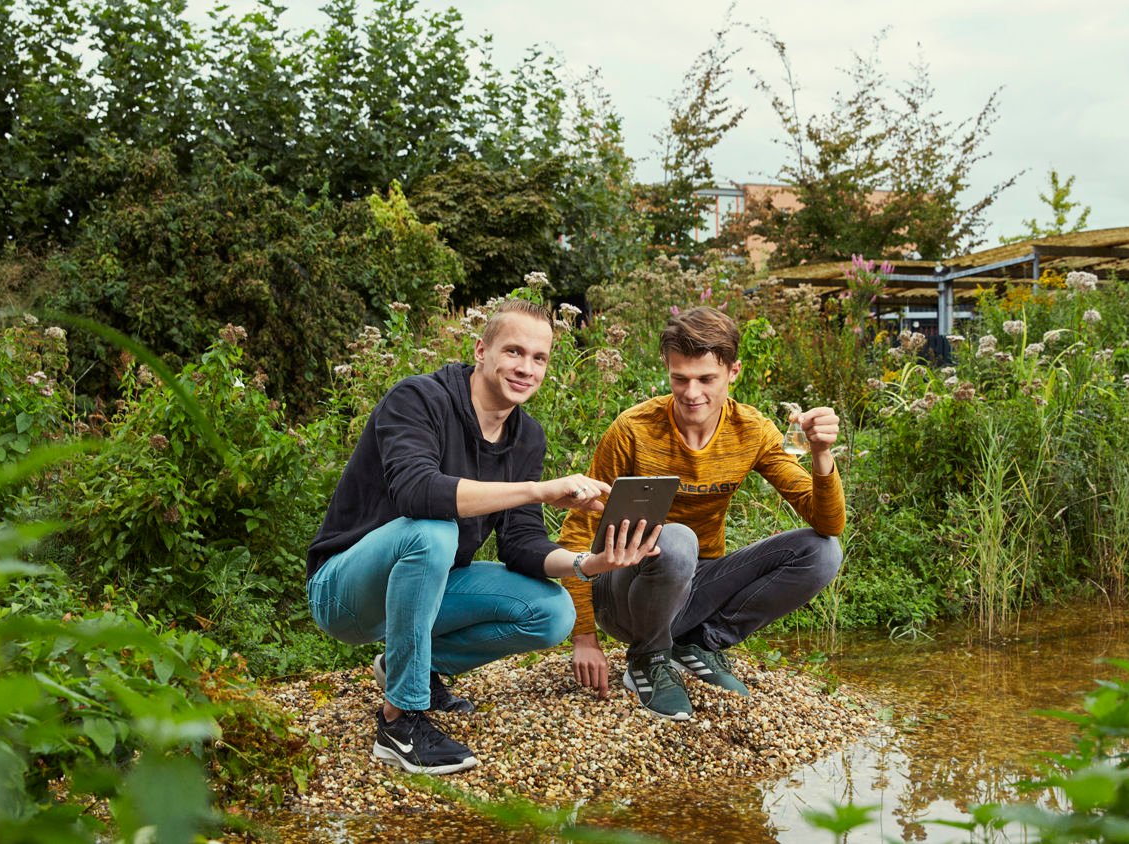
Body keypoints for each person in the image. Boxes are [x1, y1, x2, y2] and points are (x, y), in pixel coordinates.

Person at [307, 299, 661, 774]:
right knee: (433, 532)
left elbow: (522, 543)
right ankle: (401, 720)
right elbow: (416, 492)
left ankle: (408, 671)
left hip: (426, 592)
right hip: (346, 592)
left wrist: (585, 564)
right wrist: (536, 489)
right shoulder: (418, 399)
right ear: (481, 349)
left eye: (539, 358)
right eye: (514, 352)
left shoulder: (526, 436)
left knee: (552, 612)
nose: (526, 368)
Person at [559, 306, 845, 720]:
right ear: (667, 370)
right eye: (680, 379)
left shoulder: (753, 430)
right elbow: (578, 531)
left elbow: (828, 523)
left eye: (706, 379)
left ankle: (697, 643)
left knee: (823, 552)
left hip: (695, 585)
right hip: (621, 588)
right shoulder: (633, 429)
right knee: (676, 539)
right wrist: (584, 636)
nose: (692, 393)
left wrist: (821, 455)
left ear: (733, 371)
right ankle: (647, 659)